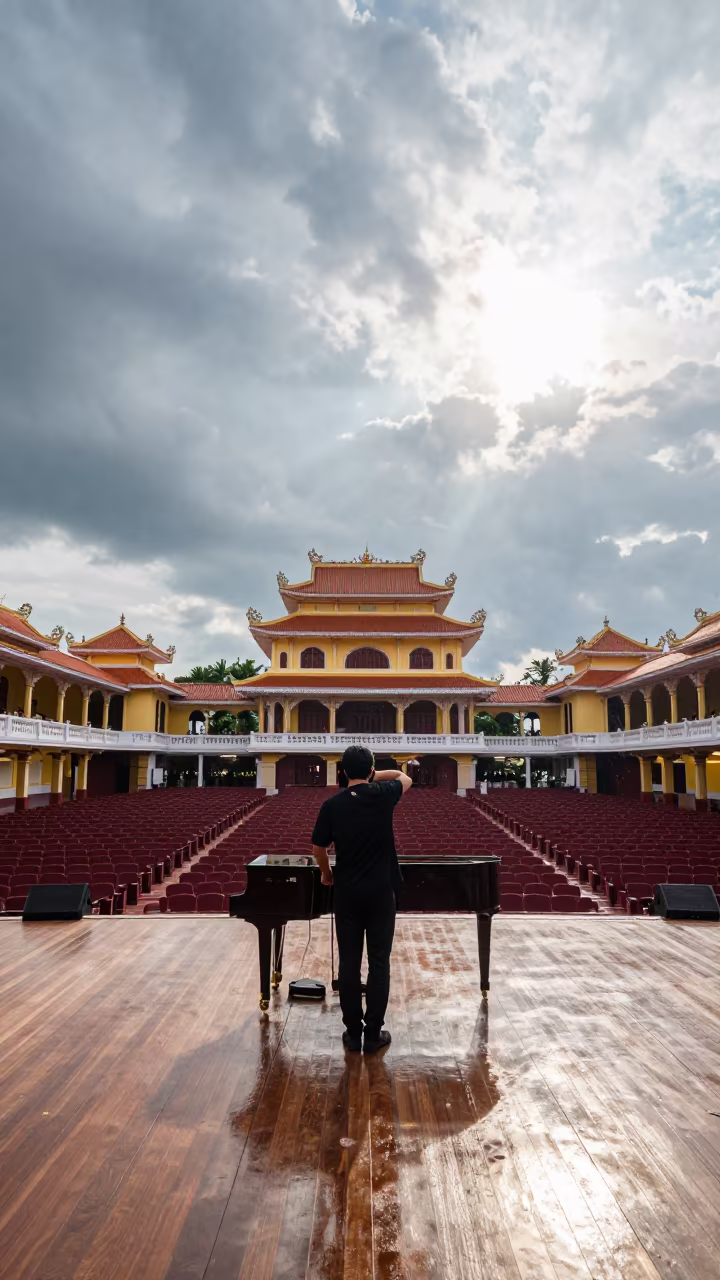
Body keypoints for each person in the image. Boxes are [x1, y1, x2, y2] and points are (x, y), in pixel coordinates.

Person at [311, 745, 412, 1054]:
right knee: (379, 961)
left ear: (341, 772)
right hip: (382, 892)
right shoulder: (383, 794)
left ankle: (353, 1033)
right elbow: (404, 777)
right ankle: (374, 1033)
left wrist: (327, 874)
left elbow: (318, 848)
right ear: (370, 771)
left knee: (349, 963)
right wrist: (372, 775)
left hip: (348, 893)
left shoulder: (332, 805)